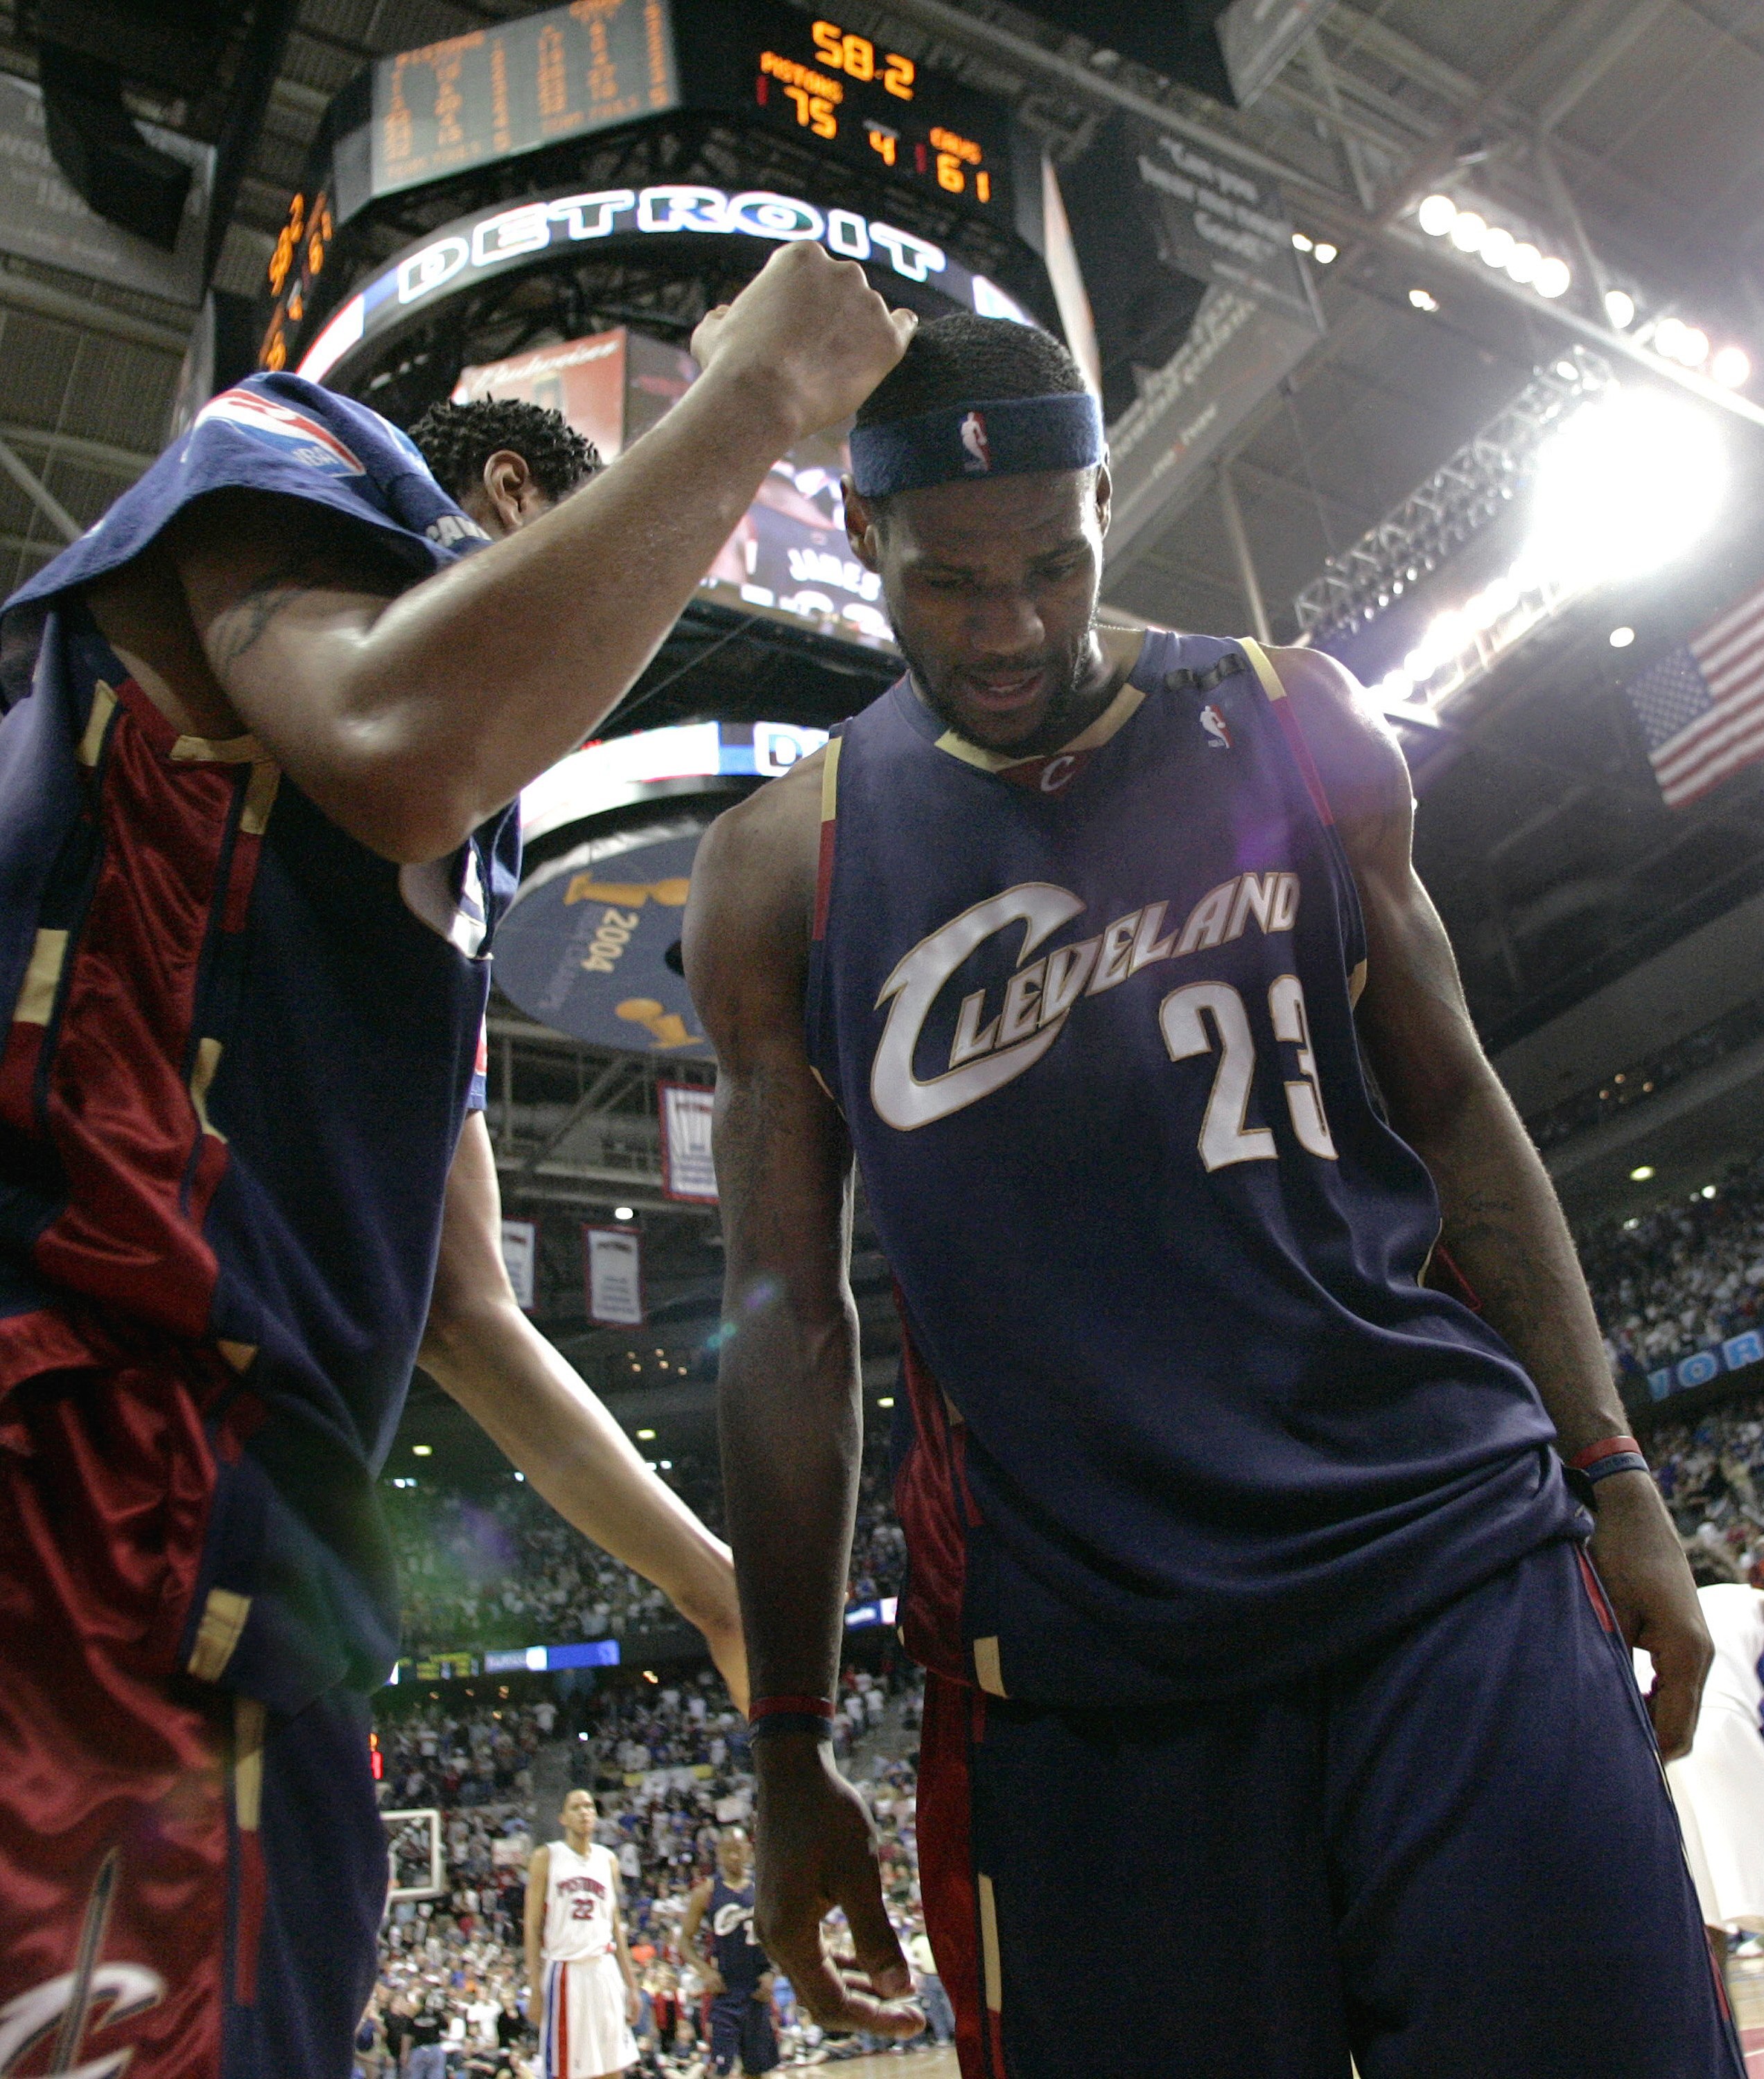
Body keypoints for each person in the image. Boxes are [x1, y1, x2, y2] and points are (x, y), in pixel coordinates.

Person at [684, 312, 1735, 2078]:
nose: (1010, 624)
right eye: (952, 580)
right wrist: (786, 1746)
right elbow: (790, 1334)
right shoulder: (783, 867)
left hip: (1449, 1570)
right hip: (1090, 1684)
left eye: (1053, 563)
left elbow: (1461, 1113)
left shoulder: (1286, 715)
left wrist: (1616, 1473)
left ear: (1106, 498)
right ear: (858, 535)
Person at [0, 237, 914, 2079]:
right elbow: (400, 737)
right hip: (106, 1479)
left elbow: (471, 1316)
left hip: (206, 1527)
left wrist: (717, 1593)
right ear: (502, 495)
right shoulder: (296, 446)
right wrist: (746, 400)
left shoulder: (424, 897)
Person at [1640, 1564, 1764, 1993]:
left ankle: (1723, 2035)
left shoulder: (1651, 1614)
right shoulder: (1748, 1599)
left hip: (1654, 1743)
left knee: (1705, 1912)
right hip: (1720, 1727)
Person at [525, 1789, 642, 2079]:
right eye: (576, 1807)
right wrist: (534, 1988)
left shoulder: (608, 1860)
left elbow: (616, 1926)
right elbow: (531, 1925)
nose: (585, 1812)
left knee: (613, 2067)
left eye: (589, 1806)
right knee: (567, 2072)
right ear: (563, 1818)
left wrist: (632, 1985)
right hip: (566, 1971)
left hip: (604, 1969)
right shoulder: (547, 1857)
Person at [681, 1830, 779, 2079]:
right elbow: (683, 1942)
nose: (734, 1856)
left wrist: (773, 1973)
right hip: (724, 1992)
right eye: (728, 1850)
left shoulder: (764, 1887)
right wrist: (705, 1971)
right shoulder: (706, 1892)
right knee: (720, 2071)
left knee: (757, 2071)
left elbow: (783, 1937)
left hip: (757, 1991)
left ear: (749, 1850)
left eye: (739, 1849)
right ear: (718, 1855)